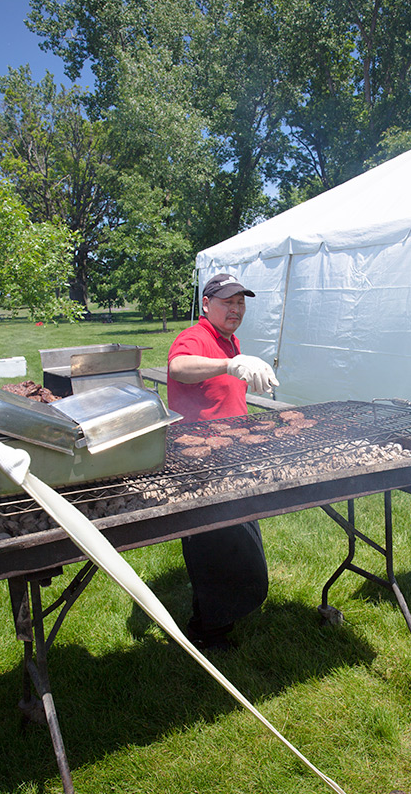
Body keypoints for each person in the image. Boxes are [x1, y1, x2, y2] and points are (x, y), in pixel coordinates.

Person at [166, 272, 279, 652]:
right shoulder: (195, 337)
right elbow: (179, 367)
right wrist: (228, 367)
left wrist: (236, 362)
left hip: (233, 454)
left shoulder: (230, 341)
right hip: (202, 460)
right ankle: (207, 629)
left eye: (241, 303)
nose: (235, 309)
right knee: (213, 544)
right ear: (205, 304)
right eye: (227, 302)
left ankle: (228, 611)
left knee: (237, 538)